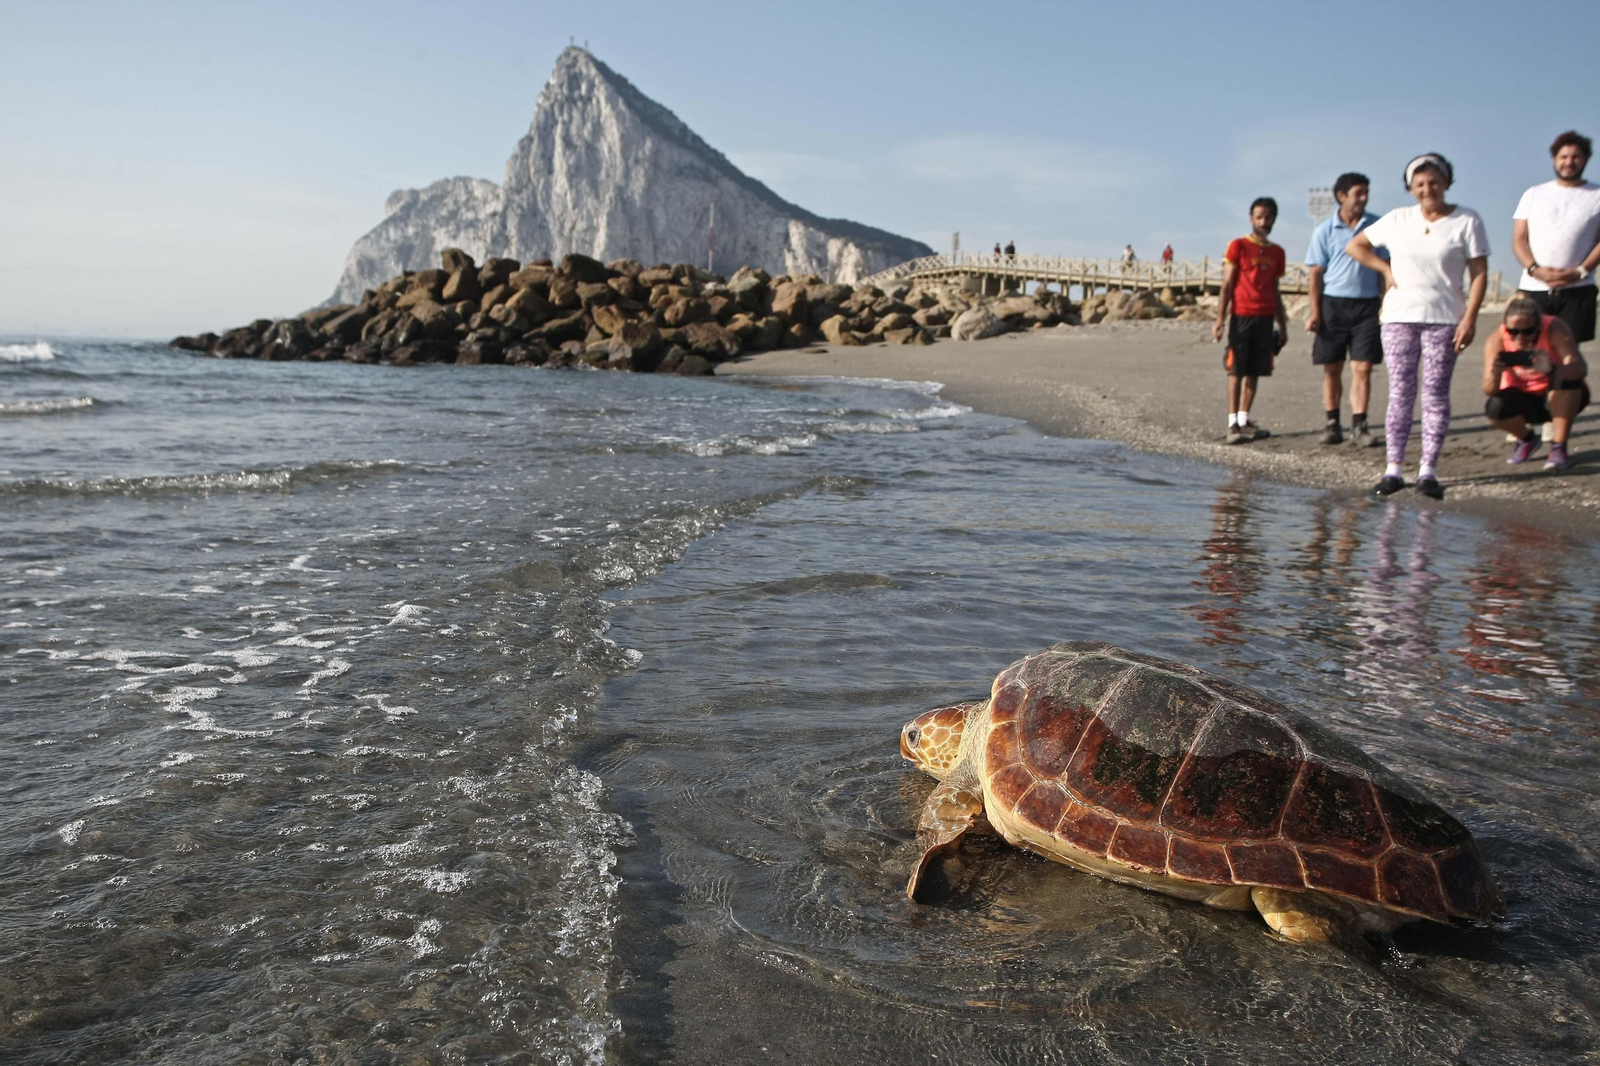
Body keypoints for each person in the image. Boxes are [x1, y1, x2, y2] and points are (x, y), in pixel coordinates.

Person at [1347, 153, 1489, 500]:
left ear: (1446, 183)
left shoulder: (1466, 221)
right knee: (1400, 393)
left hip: (1445, 319)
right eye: (1420, 183)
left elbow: (1479, 272)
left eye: (1434, 182)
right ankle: (1393, 469)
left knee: (1436, 394)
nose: (1428, 189)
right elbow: (1357, 245)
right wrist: (1385, 271)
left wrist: (1470, 317)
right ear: (1411, 188)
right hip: (1398, 317)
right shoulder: (1397, 219)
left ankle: (1428, 470)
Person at [1305, 172, 1387, 447]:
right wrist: (1315, 312)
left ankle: (1359, 424)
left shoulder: (1375, 226)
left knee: (1363, 367)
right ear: (1341, 196)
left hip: (1367, 306)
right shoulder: (1324, 230)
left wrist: (1385, 305)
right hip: (1333, 305)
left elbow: (1386, 270)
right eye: (1358, 193)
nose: (1363, 198)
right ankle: (1332, 423)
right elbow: (1315, 273)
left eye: (1366, 192)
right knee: (1332, 367)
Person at [1481, 294, 1589, 469]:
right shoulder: (1497, 339)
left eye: (1527, 331)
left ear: (1539, 325)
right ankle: (1527, 440)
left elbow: (1580, 369)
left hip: (1560, 398)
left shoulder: (1555, 328)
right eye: (1513, 332)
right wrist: (1494, 374)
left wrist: (1552, 368)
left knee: (1565, 380)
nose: (1520, 338)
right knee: (1494, 407)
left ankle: (1558, 446)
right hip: (1525, 401)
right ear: (1505, 327)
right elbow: (1488, 389)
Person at [1513, 131, 1600, 346]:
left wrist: (1580, 272)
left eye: (1575, 157)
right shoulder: (1533, 194)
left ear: (1585, 159)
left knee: (1567, 355)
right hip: (1534, 288)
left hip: (1577, 289)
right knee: (1526, 351)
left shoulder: (1596, 195)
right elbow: (1519, 239)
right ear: (1554, 159)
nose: (1569, 162)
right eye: (1564, 157)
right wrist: (1534, 269)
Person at [1212, 198, 1287, 444]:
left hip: (1265, 318)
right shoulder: (1238, 246)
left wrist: (1282, 325)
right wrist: (1220, 319)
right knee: (1236, 369)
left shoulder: (1277, 252)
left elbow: (1275, 290)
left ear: (1274, 219)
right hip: (1241, 315)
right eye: (1259, 216)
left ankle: (1245, 419)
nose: (1263, 221)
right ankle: (1232, 422)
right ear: (1251, 218)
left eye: (1267, 217)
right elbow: (1227, 285)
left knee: (1256, 369)